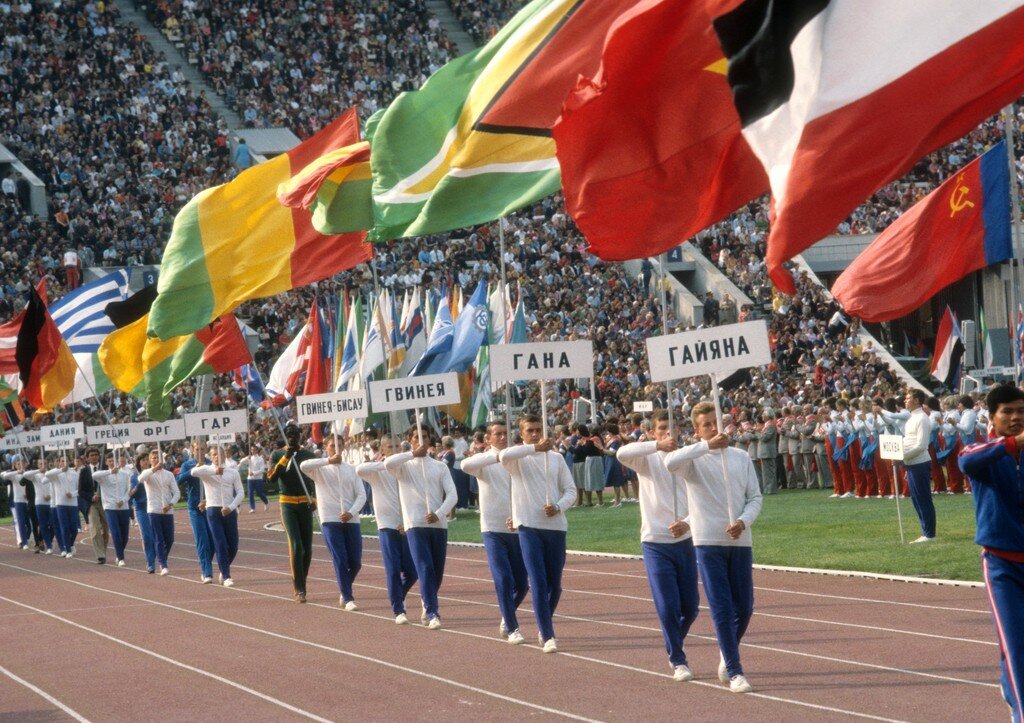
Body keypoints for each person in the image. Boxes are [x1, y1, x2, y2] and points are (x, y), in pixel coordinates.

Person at [665, 401, 762, 694]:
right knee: (721, 607)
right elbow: (670, 462)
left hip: (739, 540)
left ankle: (726, 651)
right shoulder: (694, 461)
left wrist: (744, 522)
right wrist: (705, 446)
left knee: (744, 608)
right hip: (708, 542)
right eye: (706, 425)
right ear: (697, 430)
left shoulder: (740, 457)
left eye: (716, 422)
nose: (713, 428)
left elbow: (755, 497)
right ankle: (735, 671)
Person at [617, 409, 699, 682]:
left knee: (691, 608)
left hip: (685, 540)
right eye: (662, 428)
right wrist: (656, 445)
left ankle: (672, 641)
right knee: (667, 606)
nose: (668, 432)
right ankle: (678, 659)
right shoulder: (647, 459)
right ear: (652, 431)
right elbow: (621, 454)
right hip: (655, 542)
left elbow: (701, 500)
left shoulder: (689, 458)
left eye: (671, 428)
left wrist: (687, 522)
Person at [959, 384, 1024, 721]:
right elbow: (967, 462)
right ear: (993, 416)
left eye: (1021, 411)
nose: (1015, 418)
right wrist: (1010, 445)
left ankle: (1009, 686)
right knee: (1016, 646)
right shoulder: (980, 451)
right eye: (1007, 412)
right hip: (1001, 567)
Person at [499, 413, 576, 653]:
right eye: (529, 430)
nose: (534, 434)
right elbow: (503, 455)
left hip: (555, 527)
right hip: (528, 526)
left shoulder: (556, 459)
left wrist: (558, 506)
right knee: (539, 582)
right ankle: (547, 633)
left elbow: (571, 490)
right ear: (522, 434)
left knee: (556, 585)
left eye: (538, 430)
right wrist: (532, 448)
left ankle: (544, 620)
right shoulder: (518, 458)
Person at [461, 420, 529, 645]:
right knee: (503, 578)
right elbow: (465, 466)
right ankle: (512, 627)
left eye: (505, 433)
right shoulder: (483, 462)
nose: (502, 437)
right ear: (488, 438)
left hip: (517, 528)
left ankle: (505, 615)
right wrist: (497, 456)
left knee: (522, 584)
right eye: (497, 434)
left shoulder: (518, 457)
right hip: (492, 529)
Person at [385, 430, 457, 630]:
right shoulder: (403, 467)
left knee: (437, 572)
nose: (421, 441)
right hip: (415, 525)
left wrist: (440, 513)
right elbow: (387, 463)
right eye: (417, 437)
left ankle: (427, 603)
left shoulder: (440, 467)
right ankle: (433, 611)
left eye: (424, 437)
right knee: (424, 567)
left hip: (438, 525)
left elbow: (452, 495)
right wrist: (411, 454)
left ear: (430, 440)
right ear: (410, 441)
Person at [357, 437, 418, 623]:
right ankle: (398, 610)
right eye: (390, 446)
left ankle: (399, 595)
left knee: (413, 572)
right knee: (392, 570)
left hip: (407, 526)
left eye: (397, 446)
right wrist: (386, 464)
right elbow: (359, 470)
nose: (394, 448)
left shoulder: (407, 468)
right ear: (382, 449)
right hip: (387, 526)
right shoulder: (377, 470)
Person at [301, 435, 365, 609]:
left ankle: (344, 587)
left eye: (339, 446)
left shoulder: (351, 469)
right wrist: (327, 461)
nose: (336, 449)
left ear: (343, 447)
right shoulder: (320, 469)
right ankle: (348, 596)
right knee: (340, 559)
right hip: (330, 519)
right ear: (326, 447)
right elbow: (303, 466)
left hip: (351, 520)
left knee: (356, 562)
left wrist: (351, 512)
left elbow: (361, 494)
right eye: (331, 446)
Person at [268, 422, 317, 603]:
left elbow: (315, 480)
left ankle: (301, 580)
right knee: (297, 546)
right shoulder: (278, 454)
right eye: (289, 435)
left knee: (308, 549)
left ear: (300, 436)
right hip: (287, 504)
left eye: (295, 435)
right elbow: (271, 478)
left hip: (305, 504)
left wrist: (315, 500)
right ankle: (299, 588)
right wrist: (285, 457)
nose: (292, 438)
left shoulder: (308, 455)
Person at [193, 445, 245, 587]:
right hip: (213, 511)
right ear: (211, 456)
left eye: (219, 454)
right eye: (214, 454)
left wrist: (231, 507)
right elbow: (193, 472)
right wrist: (213, 471)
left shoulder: (233, 472)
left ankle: (224, 567)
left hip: (229, 510)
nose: (217, 457)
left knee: (233, 545)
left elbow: (241, 492)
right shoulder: (207, 471)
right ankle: (226, 575)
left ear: (224, 455)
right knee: (220, 543)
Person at [176, 441, 215, 583]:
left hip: (210, 505)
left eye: (202, 449)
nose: (199, 452)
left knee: (213, 541)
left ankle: (205, 562)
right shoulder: (188, 464)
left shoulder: (211, 463)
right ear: (192, 450)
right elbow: (178, 479)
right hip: (195, 508)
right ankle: (207, 572)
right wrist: (192, 471)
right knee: (202, 539)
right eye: (197, 449)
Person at [139, 448, 181, 575]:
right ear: (150, 461)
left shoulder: (168, 474)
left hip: (167, 511)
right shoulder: (148, 473)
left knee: (170, 539)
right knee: (158, 538)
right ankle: (163, 564)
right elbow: (141, 479)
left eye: (158, 458)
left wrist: (170, 504)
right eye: (153, 458)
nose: (156, 460)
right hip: (154, 510)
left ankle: (161, 557)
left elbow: (177, 492)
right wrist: (153, 469)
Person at [902, 388, 936, 543]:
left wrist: (903, 458)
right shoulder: (911, 418)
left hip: (920, 462)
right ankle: (925, 531)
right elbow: (908, 441)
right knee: (916, 499)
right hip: (911, 463)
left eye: (908, 398)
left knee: (923, 499)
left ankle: (929, 534)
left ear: (916, 400)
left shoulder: (922, 418)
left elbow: (922, 445)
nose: (905, 400)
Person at [92, 453, 132, 566]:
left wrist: (123, 500)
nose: (112, 463)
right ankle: (120, 558)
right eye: (109, 461)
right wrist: (110, 472)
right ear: (106, 462)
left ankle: (119, 552)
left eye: (113, 461)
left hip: (123, 507)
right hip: (110, 507)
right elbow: (94, 475)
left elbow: (129, 490)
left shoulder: (125, 474)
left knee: (124, 535)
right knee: (115, 532)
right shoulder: (103, 475)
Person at [78, 447, 111, 564]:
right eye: (91, 455)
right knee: (95, 528)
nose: (94, 457)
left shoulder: (105, 469)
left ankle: (103, 550)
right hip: (91, 504)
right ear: (87, 458)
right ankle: (100, 555)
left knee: (106, 530)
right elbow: (81, 491)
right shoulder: (84, 471)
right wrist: (91, 497)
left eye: (96, 454)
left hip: (105, 502)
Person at [129, 448, 158, 574]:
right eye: (143, 460)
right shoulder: (135, 476)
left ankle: (158, 557)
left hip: (155, 506)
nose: (146, 462)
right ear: (139, 462)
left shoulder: (154, 473)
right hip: (141, 508)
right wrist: (138, 486)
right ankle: (150, 562)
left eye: (147, 460)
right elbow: (131, 494)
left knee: (157, 535)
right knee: (147, 536)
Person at [45, 457, 79, 558]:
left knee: (74, 529)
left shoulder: (74, 473)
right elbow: (47, 475)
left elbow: (79, 489)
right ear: (59, 462)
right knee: (64, 527)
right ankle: (67, 549)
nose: (64, 463)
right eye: (62, 461)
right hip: (60, 504)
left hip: (73, 503)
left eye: (66, 461)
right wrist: (60, 470)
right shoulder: (56, 474)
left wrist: (72, 494)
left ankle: (70, 544)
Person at [241, 444, 269, 513]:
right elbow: (241, 462)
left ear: (257, 450)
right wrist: (247, 458)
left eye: (254, 450)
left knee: (259, 493)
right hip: (250, 479)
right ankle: (252, 508)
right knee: (250, 494)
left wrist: (254, 473)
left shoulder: (260, 459)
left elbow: (262, 470)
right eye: (252, 450)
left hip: (258, 478)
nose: (253, 451)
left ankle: (266, 502)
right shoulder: (250, 458)